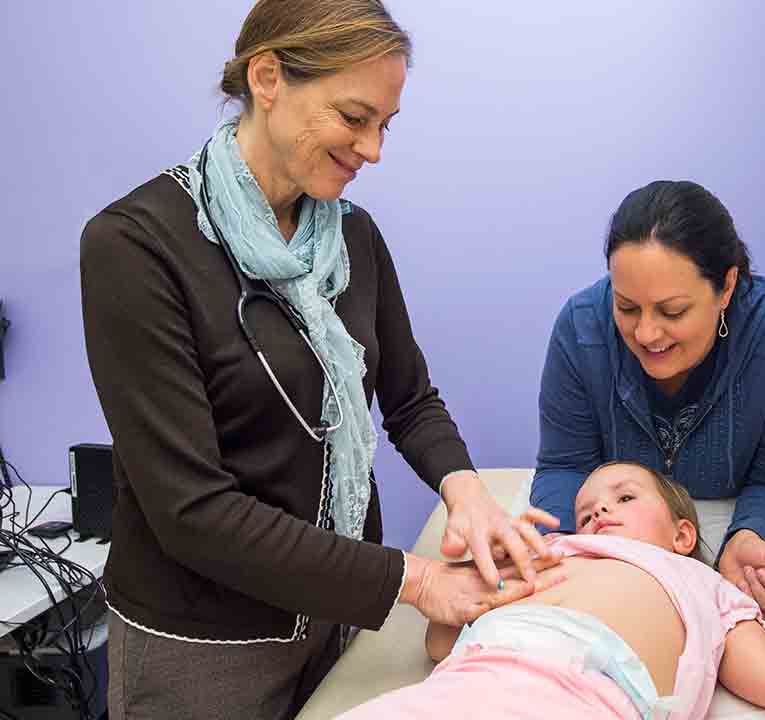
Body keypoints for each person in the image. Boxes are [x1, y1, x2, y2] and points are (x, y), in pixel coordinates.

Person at [79, 2, 557, 717]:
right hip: (203, 641)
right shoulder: (138, 247)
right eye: (354, 118)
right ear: (267, 78)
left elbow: (409, 398)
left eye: (384, 126)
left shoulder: (352, 238)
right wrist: (417, 582)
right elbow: (191, 510)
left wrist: (468, 492)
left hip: (332, 618)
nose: (373, 151)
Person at [532, 180, 765, 614]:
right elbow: (566, 465)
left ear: (727, 286)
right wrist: (562, 550)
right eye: (626, 307)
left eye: (672, 311)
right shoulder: (582, 331)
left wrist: (752, 536)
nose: (646, 333)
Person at [335, 461, 765, 718]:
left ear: (682, 535)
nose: (598, 514)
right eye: (585, 512)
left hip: (585, 695)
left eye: (625, 497)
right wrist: (476, 571)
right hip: (466, 683)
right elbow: (442, 647)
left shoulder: (705, 583)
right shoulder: (548, 552)